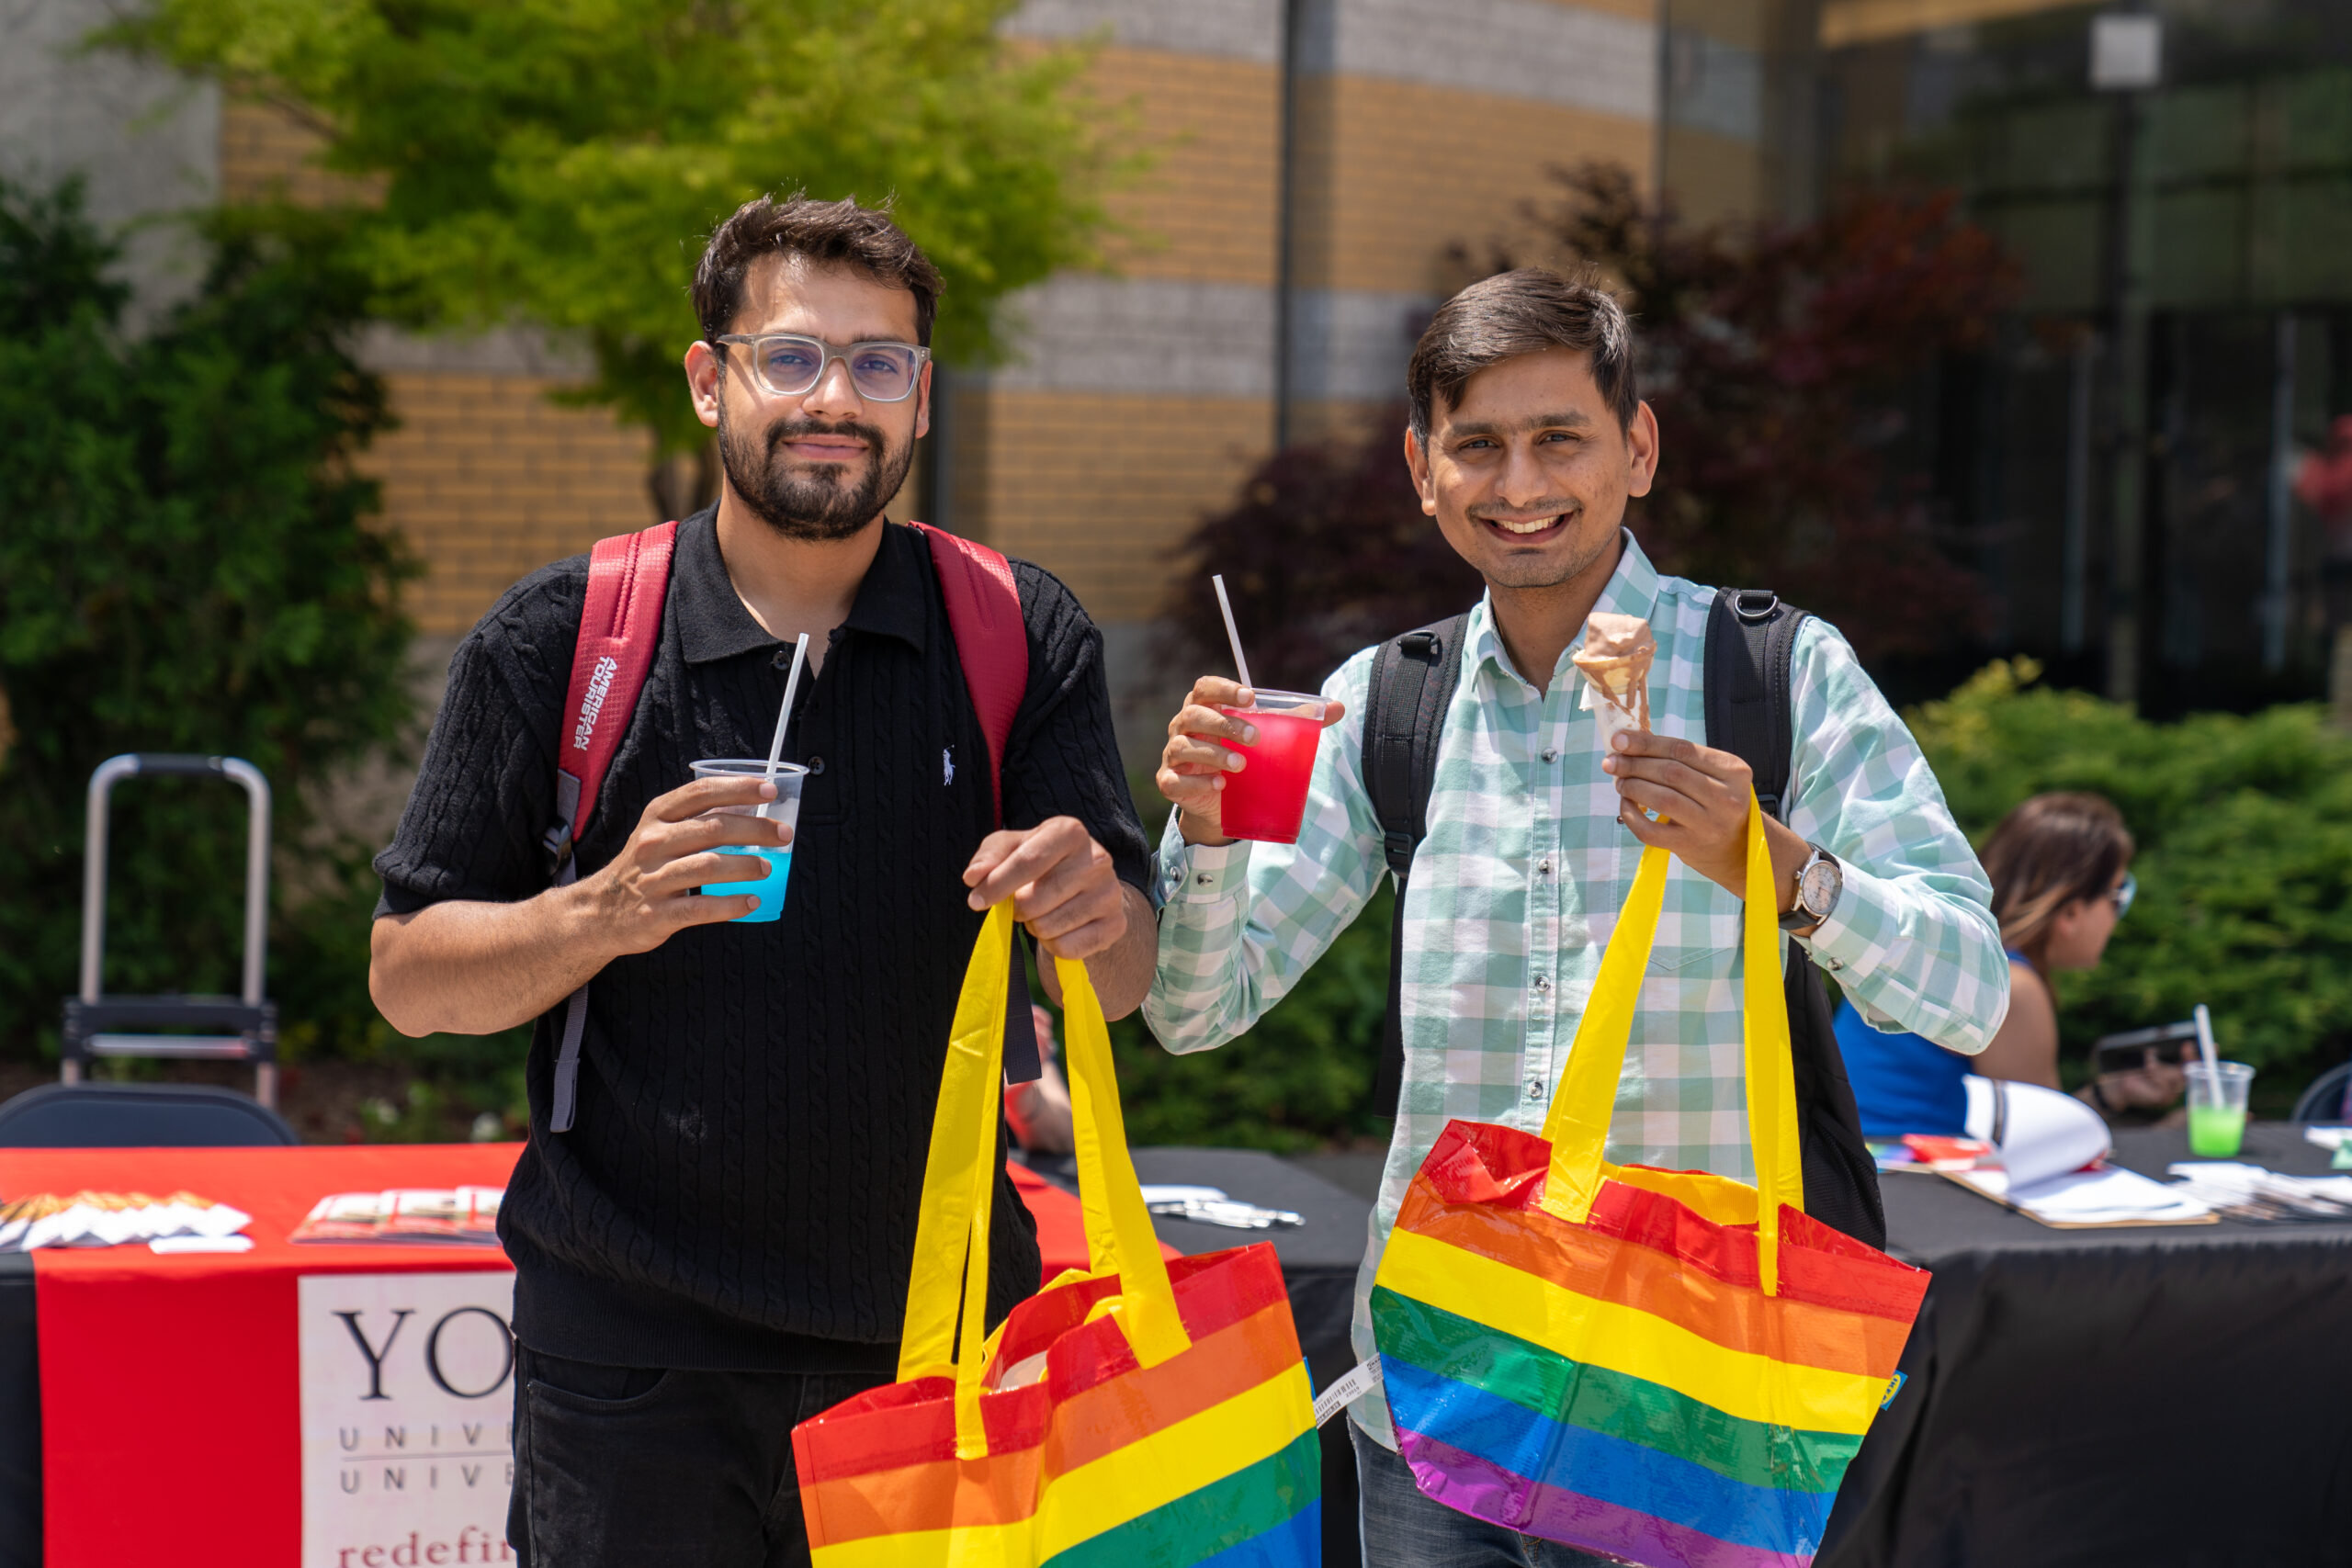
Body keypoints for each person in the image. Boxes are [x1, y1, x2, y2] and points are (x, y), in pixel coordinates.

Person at [1146, 268, 2011, 1567]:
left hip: (1693, 1405)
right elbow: (1195, 1007)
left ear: (1639, 448)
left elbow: (1972, 992)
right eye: (1477, 445)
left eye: (1561, 438)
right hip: (1443, 1400)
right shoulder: (1385, 705)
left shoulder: (1776, 673)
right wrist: (1204, 836)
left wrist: (1774, 862)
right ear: (1421, 469)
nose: (1519, 483)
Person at [367, 194, 1156, 1568]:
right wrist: (605, 907)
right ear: (708, 377)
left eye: (878, 363)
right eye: (790, 356)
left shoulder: (1019, 631)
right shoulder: (563, 641)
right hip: (631, 1368)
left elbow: (1127, 973)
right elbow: (407, 977)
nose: (833, 398)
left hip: (942, 1344)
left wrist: (1092, 906)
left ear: (919, 399)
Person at [1838, 790, 2158, 1135]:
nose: (2118, 915)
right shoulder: (2009, 985)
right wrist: (2173, 1130)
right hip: (1912, 1179)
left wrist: (2111, 1094)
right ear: (2070, 913)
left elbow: (2040, 1130)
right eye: (2117, 895)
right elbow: (2042, 1146)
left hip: (1859, 1167)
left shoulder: (1937, 942)